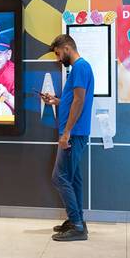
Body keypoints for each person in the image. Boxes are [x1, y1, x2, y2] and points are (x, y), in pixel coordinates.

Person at [40, 34, 94, 242]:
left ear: (67, 48)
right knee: (73, 178)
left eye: (57, 54)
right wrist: (56, 101)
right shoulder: (80, 68)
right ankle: (77, 221)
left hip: (74, 133)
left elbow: (79, 101)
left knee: (59, 177)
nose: (57, 58)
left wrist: (66, 132)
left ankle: (77, 225)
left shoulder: (80, 67)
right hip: (75, 132)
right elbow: (73, 100)